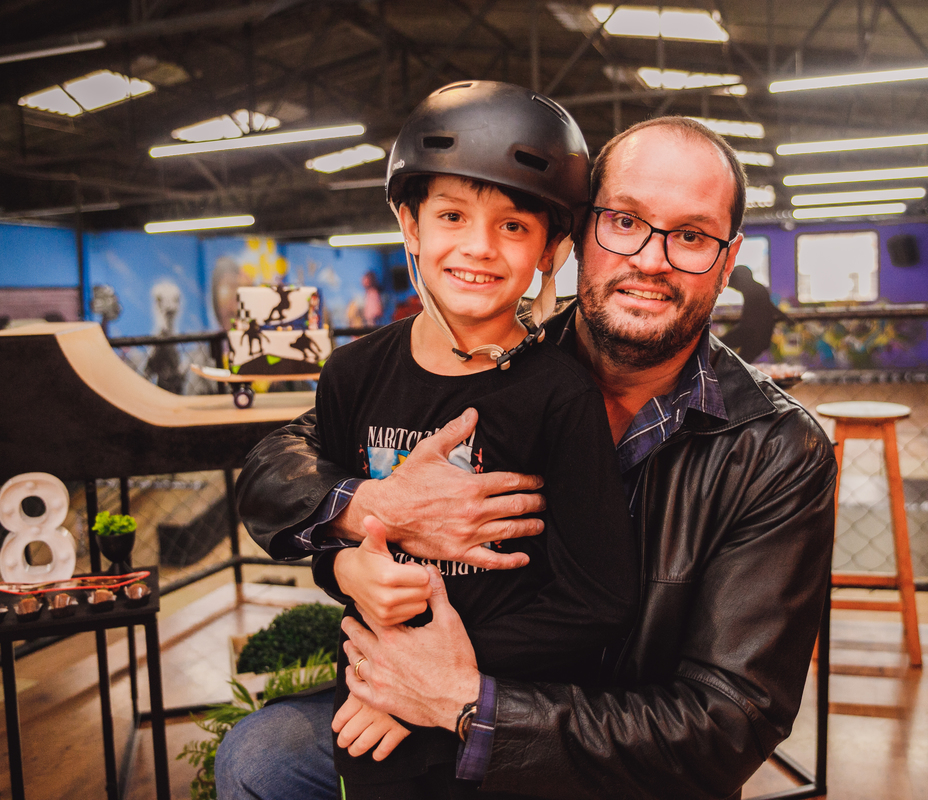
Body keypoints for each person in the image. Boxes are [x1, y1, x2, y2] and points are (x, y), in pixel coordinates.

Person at [219, 114, 836, 800]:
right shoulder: (492, 354)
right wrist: (363, 515)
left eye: (691, 236)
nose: (652, 259)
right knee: (262, 760)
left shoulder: (778, 450)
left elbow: (729, 720)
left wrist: (464, 700)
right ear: (581, 236)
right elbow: (286, 457)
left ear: (726, 259)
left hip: (618, 755)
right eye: (625, 222)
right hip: (421, 697)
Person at [235, 80, 639, 799]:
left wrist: (426, 673)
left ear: (551, 249)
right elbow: (333, 533)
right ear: (411, 225)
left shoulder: (561, 395)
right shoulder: (354, 373)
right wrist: (342, 573)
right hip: (372, 702)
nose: (478, 247)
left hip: (496, 709)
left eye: (514, 226)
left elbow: (596, 599)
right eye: (452, 215)